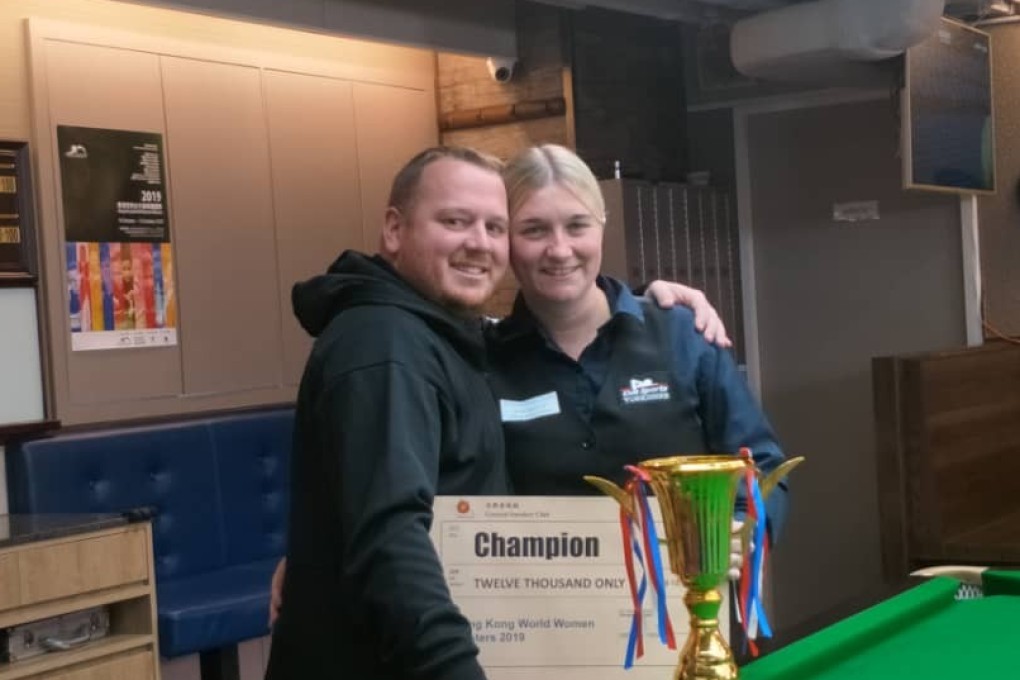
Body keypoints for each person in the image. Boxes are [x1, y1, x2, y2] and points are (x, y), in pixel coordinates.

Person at [264, 145, 727, 679]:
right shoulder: (384, 346)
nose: (478, 243)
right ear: (394, 230)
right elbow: (389, 537)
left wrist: (648, 307)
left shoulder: (449, 340)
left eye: (493, 227)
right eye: (455, 221)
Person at [488, 144, 789, 539]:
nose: (559, 250)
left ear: (602, 224)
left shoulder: (683, 335)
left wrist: (739, 536)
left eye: (577, 225)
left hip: (691, 595)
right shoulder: (485, 362)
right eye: (534, 229)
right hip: (549, 599)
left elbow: (761, 466)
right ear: (504, 238)